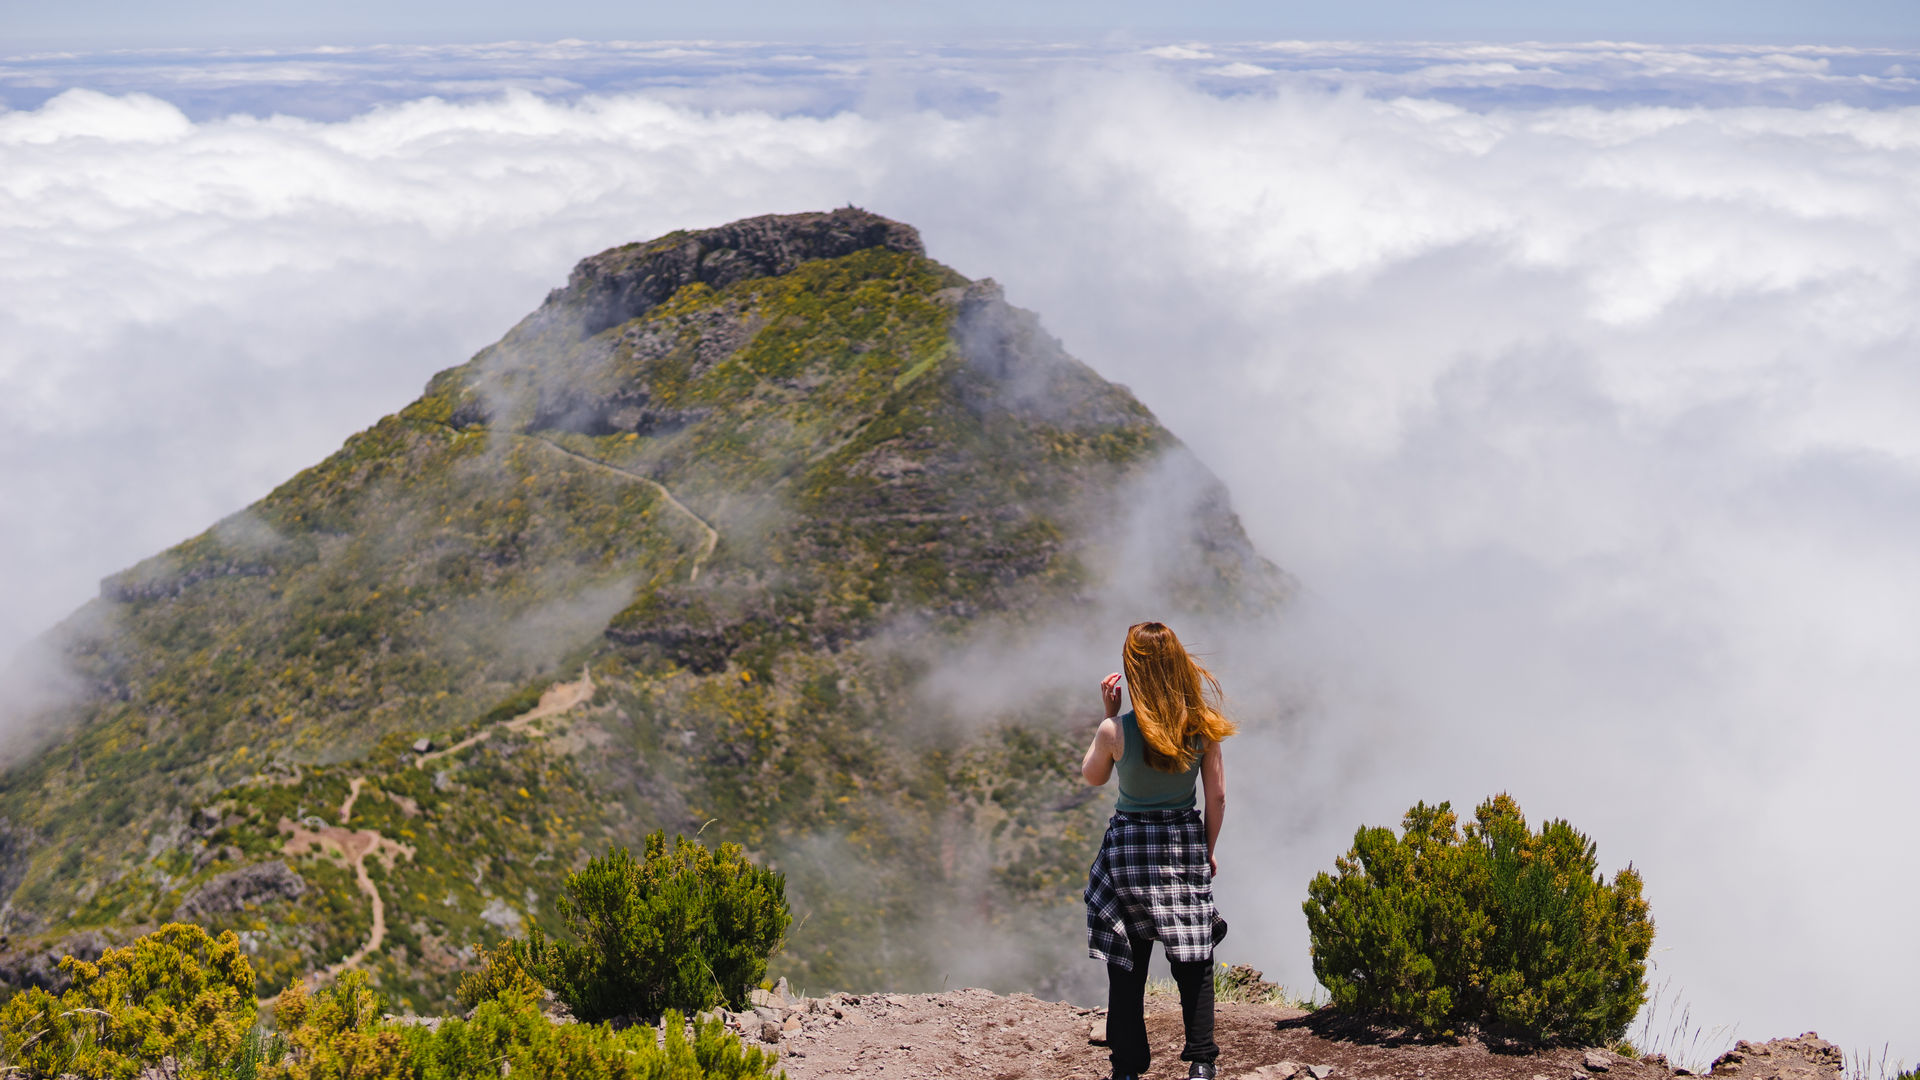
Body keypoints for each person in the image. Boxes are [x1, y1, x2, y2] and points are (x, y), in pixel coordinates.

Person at [1081, 621, 1235, 1080]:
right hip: (1181, 844)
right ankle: (1202, 1061)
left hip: (1128, 849)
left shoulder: (1116, 731)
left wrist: (1109, 714)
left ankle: (1128, 1067)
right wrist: (1206, 851)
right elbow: (1218, 797)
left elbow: (1093, 776)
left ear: (1134, 673)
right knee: (1194, 953)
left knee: (1126, 959)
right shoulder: (1203, 727)